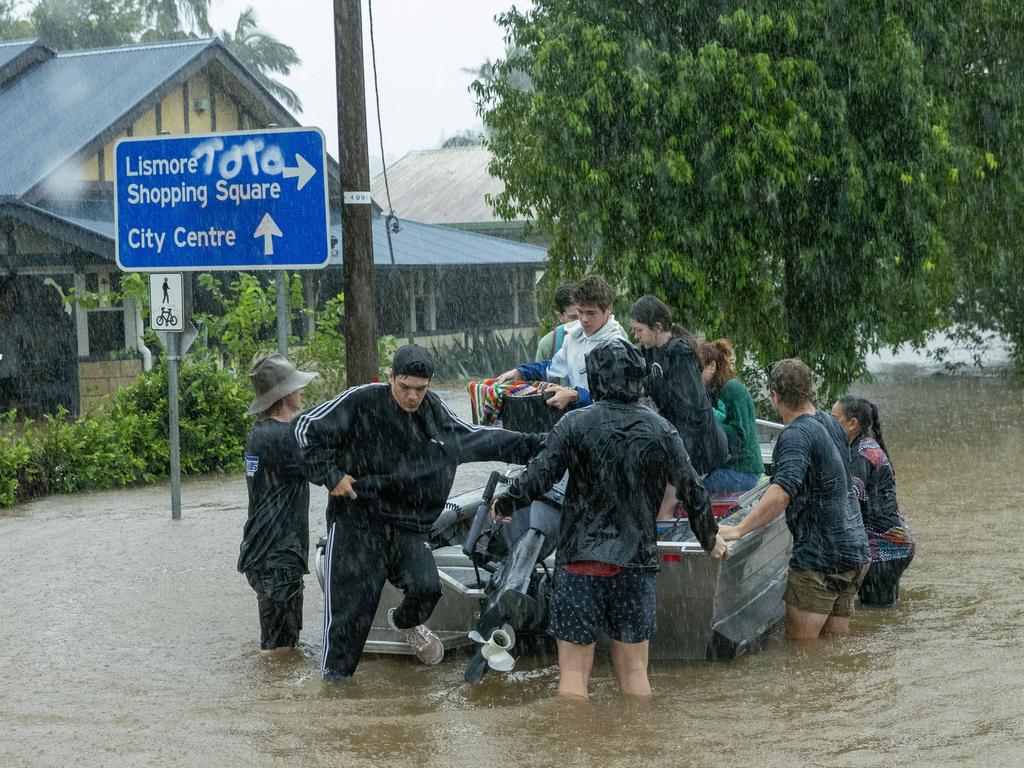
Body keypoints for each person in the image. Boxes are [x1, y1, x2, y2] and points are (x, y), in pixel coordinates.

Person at [491, 339, 729, 699]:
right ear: (638, 380)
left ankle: (575, 751)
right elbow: (693, 489)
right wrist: (710, 539)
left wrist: (505, 504)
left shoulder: (574, 424)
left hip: (580, 563)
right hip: (634, 562)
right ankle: (637, 748)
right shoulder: (660, 429)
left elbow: (538, 475)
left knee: (572, 678)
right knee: (635, 675)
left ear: (597, 379)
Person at [294, 344, 544, 682]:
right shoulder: (360, 401)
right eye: (405, 387)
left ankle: (406, 623)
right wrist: (329, 475)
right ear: (391, 378)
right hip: (357, 521)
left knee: (427, 588)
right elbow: (303, 429)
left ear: (430, 385)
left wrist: (540, 446)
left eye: (420, 389)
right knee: (347, 622)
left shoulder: (435, 414)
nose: (412, 397)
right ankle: (336, 689)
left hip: (408, 526)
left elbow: (479, 439)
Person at [718, 359, 870, 640]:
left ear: (775, 396)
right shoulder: (829, 422)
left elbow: (781, 494)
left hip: (820, 560)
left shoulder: (796, 435)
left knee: (802, 660)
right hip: (854, 551)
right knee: (833, 652)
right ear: (808, 391)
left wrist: (738, 529)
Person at [237, 354, 318, 655]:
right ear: (284, 395)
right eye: (296, 386)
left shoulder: (262, 434)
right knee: (279, 654)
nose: (301, 391)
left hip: (263, 554)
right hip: (277, 560)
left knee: (283, 644)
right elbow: (324, 466)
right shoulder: (285, 438)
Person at [629, 295, 728, 476]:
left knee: (668, 500)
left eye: (639, 330)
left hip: (700, 447)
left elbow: (690, 408)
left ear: (657, 327)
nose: (636, 336)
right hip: (677, 439)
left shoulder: (680, 354)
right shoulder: (648, 350)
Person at [496, 274, 627, 410]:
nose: (584, 319)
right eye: (580, 312)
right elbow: (551, 369)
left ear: (608, 309)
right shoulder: (573, 337)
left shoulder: (618, 347)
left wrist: (577, 396)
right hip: (579, 422)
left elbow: (617, 400)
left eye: (591, 313)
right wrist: (520, 372)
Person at [831, 396, 915, 606]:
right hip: (896, 543)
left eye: (835, 420)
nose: (830, 425)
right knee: (887, 612)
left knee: (876, 615)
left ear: (853, 423)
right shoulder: (867, 447)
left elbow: (852, 503)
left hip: (884, 550)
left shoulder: (860, 455)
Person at [698, 339, 765, 493]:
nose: (694, 377)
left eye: (698, 370)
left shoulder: (733, 389)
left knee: (696, 492)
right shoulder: (712, 392)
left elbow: (739, 437)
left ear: (712, 366)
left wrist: (708, 417)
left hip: (744, 470)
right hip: (730, 467)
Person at [534, 282, 579, 362]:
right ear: (560, 317)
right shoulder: (548, 345)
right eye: (573, 317)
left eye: (584, 314)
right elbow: (539, 373)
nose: (581, 321)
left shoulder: (599, 338)